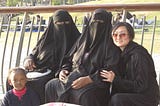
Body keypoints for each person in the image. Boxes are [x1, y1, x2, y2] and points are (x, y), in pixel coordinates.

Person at [45, 9, 120, 106]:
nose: (96, 25)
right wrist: (63, 70)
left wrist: (89, 79)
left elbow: (110, 69)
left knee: (84, 95)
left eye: (100, 22)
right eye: (94, 22)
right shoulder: (82, 41)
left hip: (95, 83)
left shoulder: (111, 46)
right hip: (73, 77)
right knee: (51, 85)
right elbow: (68, 59)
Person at [7, 9, 80, 104]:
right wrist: (29, 59)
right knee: (12, 77)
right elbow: (34, 52)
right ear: (53, 24)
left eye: (66, 22)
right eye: (59, 23)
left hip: (56, 72)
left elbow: (75, 61)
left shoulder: (78, 40)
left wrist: (63, 70)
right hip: (38, 70)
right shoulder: (46, 39)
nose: (63, 25)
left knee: (38, 83)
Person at [100, 22, 160, 106]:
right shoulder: (119, 53)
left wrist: (115, 80)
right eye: (115, 34)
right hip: (133, 92)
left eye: (123, 35)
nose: (118, 37)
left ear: (130, 36)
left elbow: (141, 86)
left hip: (147, 96)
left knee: (117, 99)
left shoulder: (138, 55)